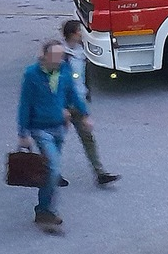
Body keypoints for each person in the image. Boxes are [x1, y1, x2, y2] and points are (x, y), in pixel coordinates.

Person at [17, 40, 91, 231]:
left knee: (49, 171)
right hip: (40, 129)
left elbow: (73, 95)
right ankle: (47, 211)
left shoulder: (64, 71)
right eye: (55, 56)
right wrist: (23, 133)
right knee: (53, 168)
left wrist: (84, 116)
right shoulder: (32, 74)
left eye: (61, 56)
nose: (59, 60)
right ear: (45, 56)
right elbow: (25, 104)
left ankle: (43, 210)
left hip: (59, 128)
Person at [61, 20, 120, 187]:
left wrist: (86, 95)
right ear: (73, 33)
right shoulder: (62, 56)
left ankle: (99, 172)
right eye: (80, 31)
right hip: (64, 106)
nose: (83, 33)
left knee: (88, 138)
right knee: (57, 140)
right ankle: (52, 172)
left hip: (78, 102)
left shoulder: (81, 52)